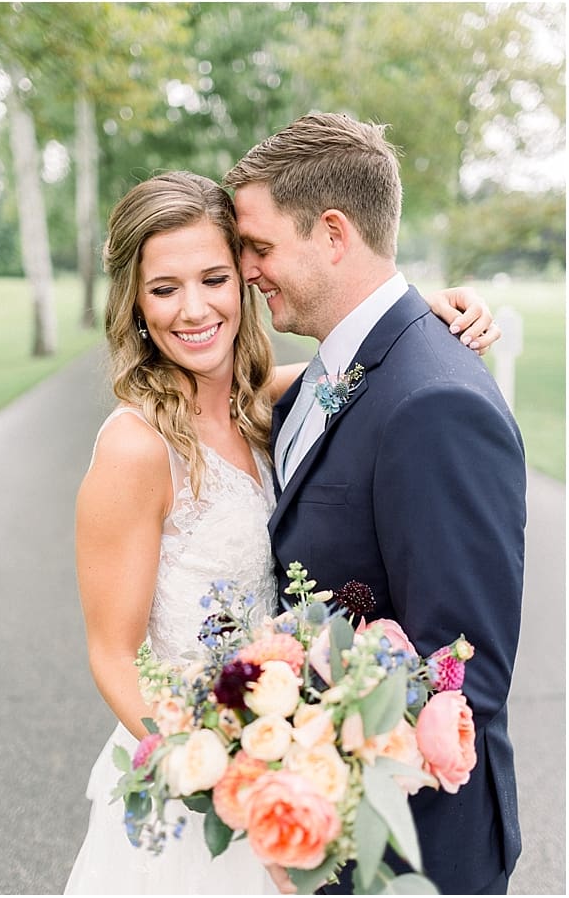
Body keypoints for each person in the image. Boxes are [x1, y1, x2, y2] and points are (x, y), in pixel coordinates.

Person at [66, 170, 499, 894]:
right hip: (199, 784)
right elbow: (113, 653)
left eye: (213, 278)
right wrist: (218, 777)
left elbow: (358, 361)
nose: (194, 309)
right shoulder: (135, 447)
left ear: (245, 282)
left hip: (282, 760)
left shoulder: (262, 403)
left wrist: (422, 305)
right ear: (135, 303)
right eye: (165, 288)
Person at [225, 112, 524, 895]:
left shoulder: (434, 401)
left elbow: (464, 673)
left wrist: (307, 761)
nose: (247, 270)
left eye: (258, 247)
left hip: (407, 851)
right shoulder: (341, 364)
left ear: (332, 233)